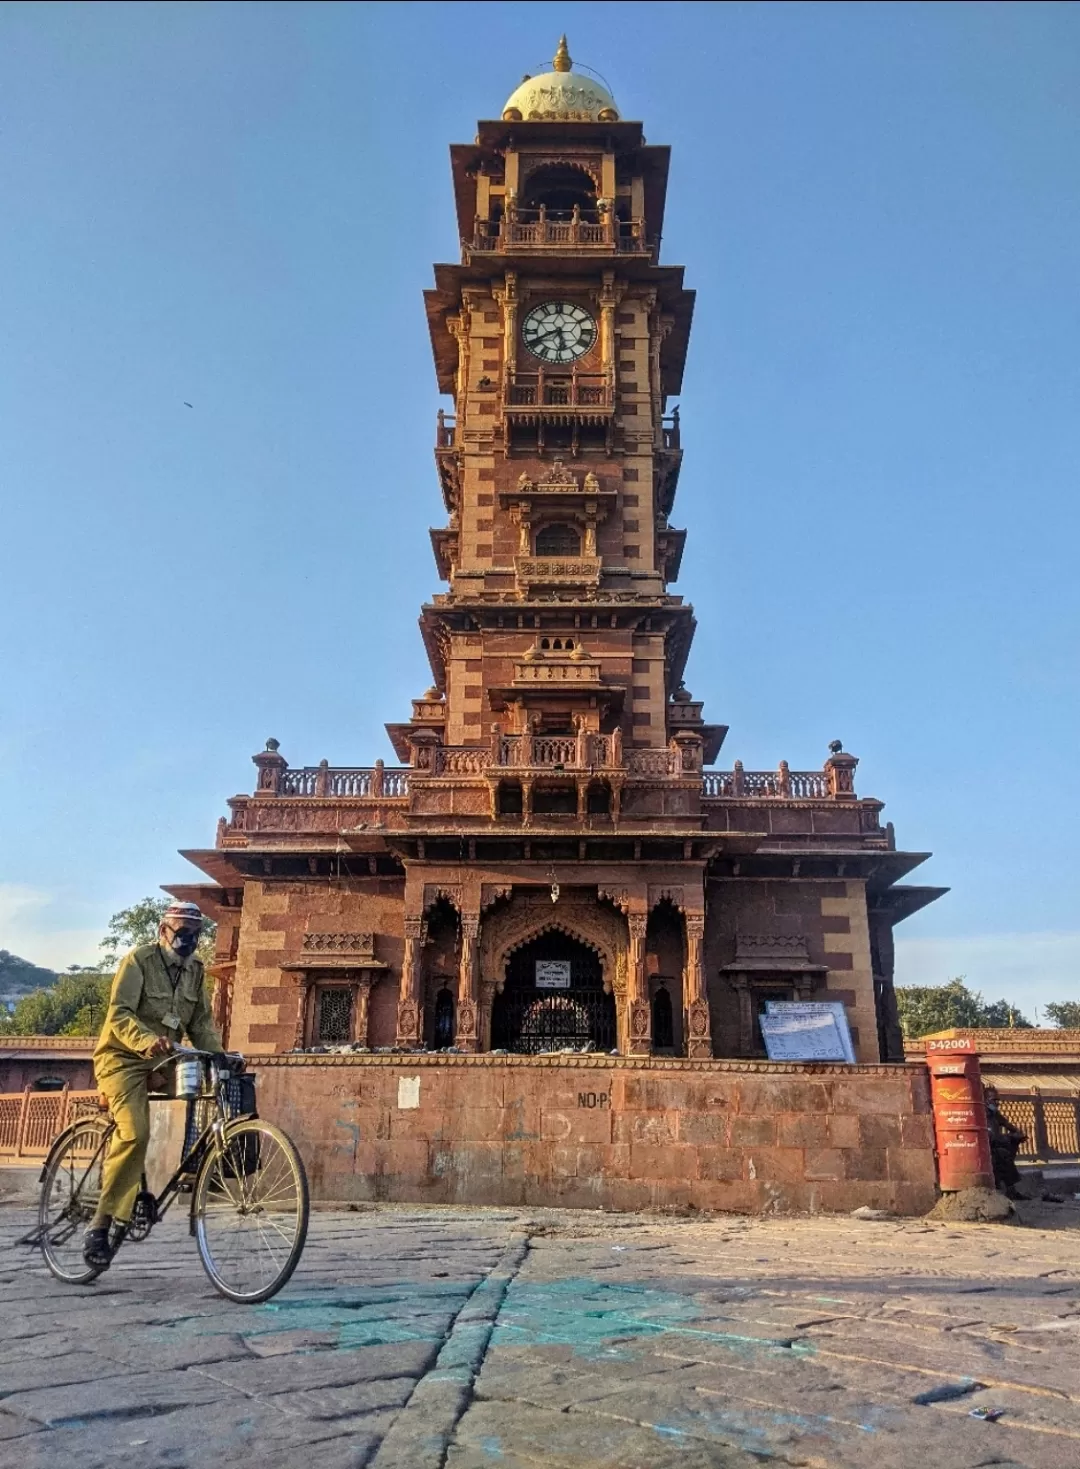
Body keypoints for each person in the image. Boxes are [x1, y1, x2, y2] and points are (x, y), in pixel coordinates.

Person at [85, 901, 223, 1267]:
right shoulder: (139, 961)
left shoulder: (195, 970)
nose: (188, 941)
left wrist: (222, 1055)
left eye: (195, 935)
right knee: (135, 1133)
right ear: (163, 932)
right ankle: (101, 1221)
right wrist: (146, 1040)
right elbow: (119, 1013)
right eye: (181, 933)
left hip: (165, 1061)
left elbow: (201, 1025)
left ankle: (191, 1171)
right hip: (124, 1059)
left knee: (209, 1094)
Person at [984, 1085, 1026, 1198]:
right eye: (994, 1100)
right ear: (985, 1100)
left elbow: (1007, 1124)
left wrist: (1017, 1133)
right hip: (986, 1149)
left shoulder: (995, 1114)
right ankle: (1009, 1189)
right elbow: (990, 1137)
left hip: (996, 1145)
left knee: (1008, 1148)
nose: (997, 1103)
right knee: (1003, 1155)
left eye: (998, 1100)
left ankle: (1011, 1190)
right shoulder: (983, 1114)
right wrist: (1007, 1137)